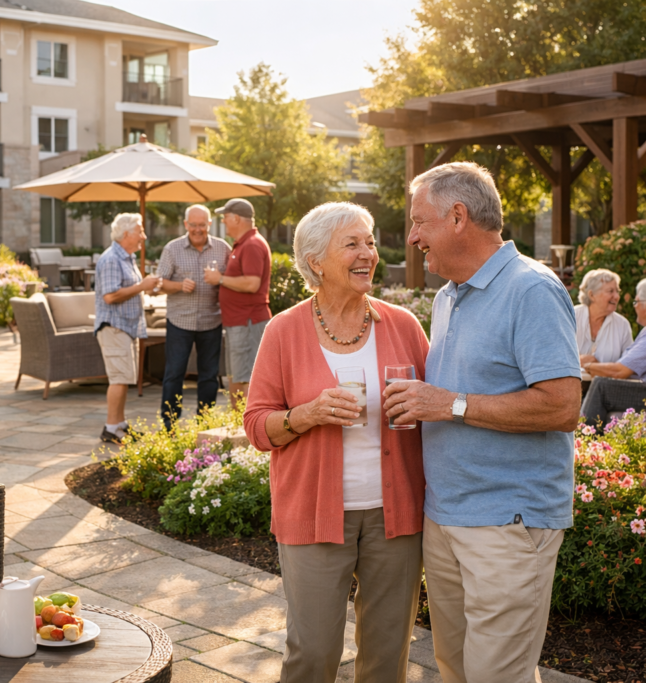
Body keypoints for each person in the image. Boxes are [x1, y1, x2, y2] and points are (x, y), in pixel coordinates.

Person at [383, 162, 581, 683]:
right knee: (455, 669)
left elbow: (562, 407)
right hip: (446, 518)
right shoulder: (450, 295)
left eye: (418, 221)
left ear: (456, 216)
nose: (411, 236)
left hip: (508, 524)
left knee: (497, 675)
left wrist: (447, 403)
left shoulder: (530, 289)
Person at [243, 202, 429, 683]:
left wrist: (424, 404)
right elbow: (257, 426)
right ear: (315, 262)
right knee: (312, 652)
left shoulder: (404, 325)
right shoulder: (283, 331)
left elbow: (434, 405)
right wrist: (306, 415)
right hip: (313, 512)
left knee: (388, 653)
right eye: (352, 244)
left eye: (369, 241)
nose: (368, 252)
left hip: (397, 516)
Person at [156, 204, 231, 429]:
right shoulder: (172, 248)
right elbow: (159, 284)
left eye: (202, 225)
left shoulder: (223, 248)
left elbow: (231, 280)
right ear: (186, 224)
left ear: (209, 224)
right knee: (174, 373)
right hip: (180, 322)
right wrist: (179, 285)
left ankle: (204, 424)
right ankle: (169, 425)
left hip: (211, 321)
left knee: (209, 376)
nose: (198, 229)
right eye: (193, 225)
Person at [94, 213, 160, 443]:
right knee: (119, 379)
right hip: (114, 327)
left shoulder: (127, 258)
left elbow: (129, 289)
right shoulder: (112, 259)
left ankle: (119, 424)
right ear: (126, 234)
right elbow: (110, 296)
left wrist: (146, 288)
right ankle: (110, 428)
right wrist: (142, 285)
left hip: (127, 328)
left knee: (123, 378)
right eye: (140, 231)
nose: (144, 235)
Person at [204, 198, 271, 403]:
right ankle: (237, 428)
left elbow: (252, 284)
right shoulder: (244, 244)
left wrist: (220, 279)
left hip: (248, 321)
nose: (223, 221)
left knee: (246, 379)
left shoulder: (251, 245)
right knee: (236, 376)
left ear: (236, 218)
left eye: (225, 217)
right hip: (240, 322)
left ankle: (246, 432)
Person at [581, 278, 646, 425]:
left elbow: (619, 371)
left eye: (636, 302)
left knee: (601, 386)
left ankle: (583, 438)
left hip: (643, 392)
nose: (634, 307)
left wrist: (588, 366)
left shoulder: (623, 324)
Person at [574, 268, 633, 390]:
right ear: (591, 295)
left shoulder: (622, 324)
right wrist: (578, 359)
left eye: (617, 291)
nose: (616, 296)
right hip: (571, 387)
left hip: (608, 390)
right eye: (610, 291)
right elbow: (552, 353)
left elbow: (628, 365)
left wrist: (595, 367)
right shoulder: (571, 316)